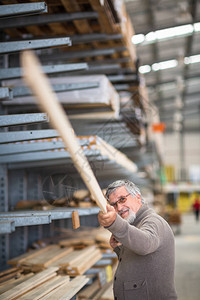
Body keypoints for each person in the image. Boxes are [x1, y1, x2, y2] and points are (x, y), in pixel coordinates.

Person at [98, 179, 177, 300]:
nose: (119, 207)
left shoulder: (153, 221)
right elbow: (138, 260)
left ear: (138, 197)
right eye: (114, 204)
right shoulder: (134, 223)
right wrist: (119, 249)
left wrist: (116, 224)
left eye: (122, 199)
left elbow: (145, 244)